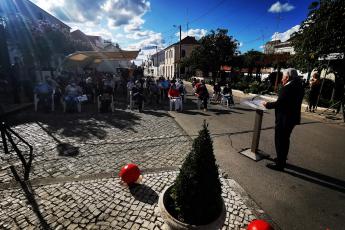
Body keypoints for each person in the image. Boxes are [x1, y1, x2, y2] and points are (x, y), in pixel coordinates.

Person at [263, 68, 304, 171]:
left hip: (284, 118)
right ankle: (282, 158)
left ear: (287, 77)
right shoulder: (299, 86)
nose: (281, 79)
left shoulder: (288, 87)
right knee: (285, 140)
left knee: (280, 140)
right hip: (292, 118)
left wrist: (267, 104)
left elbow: (280, 103)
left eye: (283, 77)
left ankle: (279, 164)